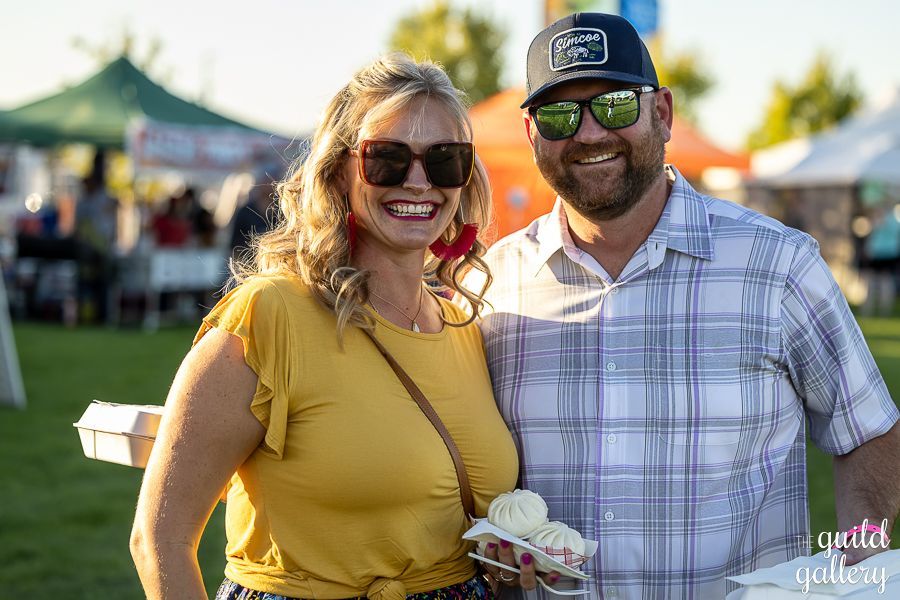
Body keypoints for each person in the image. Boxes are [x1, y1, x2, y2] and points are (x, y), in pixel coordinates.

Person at [469, 13, 900, 599]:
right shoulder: (494, 285)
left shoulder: (777, 267)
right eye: (559, 115)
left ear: (663, 113)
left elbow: (870, 431)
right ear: (532, 135)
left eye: (616, 105)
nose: (590, 134)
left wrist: (858, 569)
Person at [130, 54, 521, 600]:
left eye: (444, 160)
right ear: (339, 170)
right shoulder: (268, 316)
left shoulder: (465, 328)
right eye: (386, 158)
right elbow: (160, 539)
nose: (417, 181)